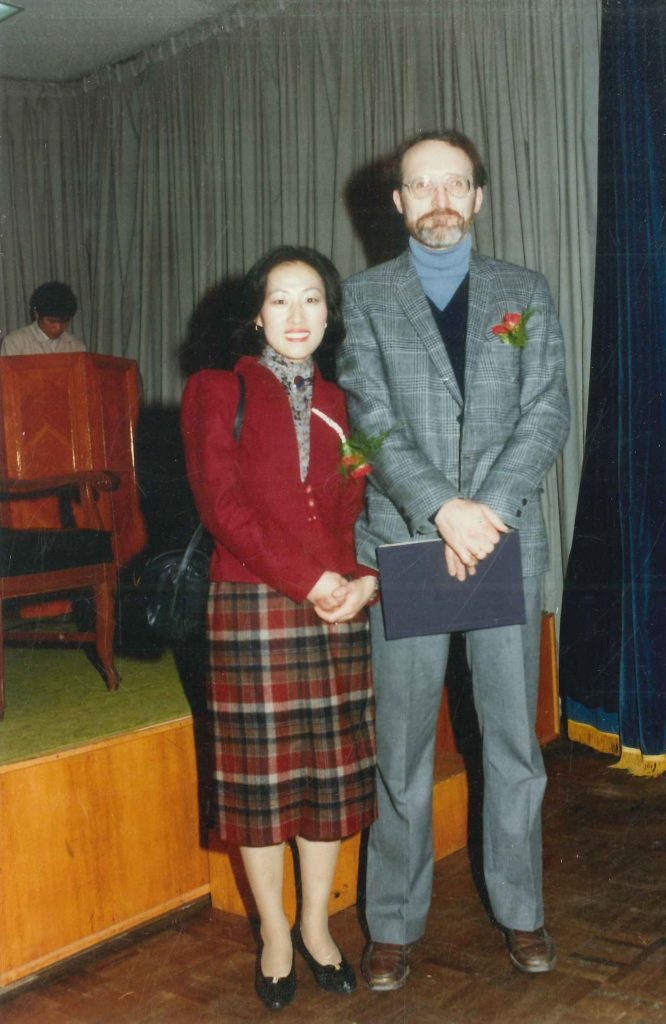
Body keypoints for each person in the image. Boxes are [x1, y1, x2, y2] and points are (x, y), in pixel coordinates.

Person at [337, 129, 570, 988]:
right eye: (419, 185)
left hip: (503, 543)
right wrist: (441, 508)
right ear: (396, 203)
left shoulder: (524, 293)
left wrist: (485, 513)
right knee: (399, 750)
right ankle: (392, 921)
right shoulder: (360, 300)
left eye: (454, 184)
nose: (437, 199)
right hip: (406, 543)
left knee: (512, 744)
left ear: (476, 198)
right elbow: (366, 422)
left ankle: (523, 912)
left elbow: (545, 412)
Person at [181, 246, 379, 1011]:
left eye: (312, 301)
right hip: (254, 603)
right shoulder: (215, 388)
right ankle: (271, 932)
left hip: (335, 611)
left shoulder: (346, 402)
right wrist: (312, 580)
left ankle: (315, 927)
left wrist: (362, 582)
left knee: (325, 781)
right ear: (255, 312)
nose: (297, 316)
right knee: (262, 789)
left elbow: (353, 507)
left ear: (330, 315)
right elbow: (222, 508)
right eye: (279, 300)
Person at [1, 281, 85, 356]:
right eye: (51, 321)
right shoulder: (14, 343)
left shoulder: (77, 346)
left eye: (64, 321)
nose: (58, 327)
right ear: (37, 314)